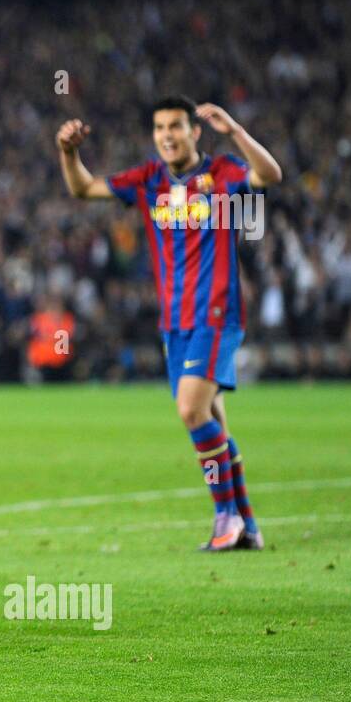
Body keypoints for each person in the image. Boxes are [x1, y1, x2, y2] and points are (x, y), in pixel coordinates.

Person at [56, 95, 283, 551]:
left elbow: (271, 175)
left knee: (191, 410)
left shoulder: (222, 173)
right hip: (173, 322)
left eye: (176, 127)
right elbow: (83, 189)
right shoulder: (148, 181)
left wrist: (235, 129)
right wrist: (68, 151)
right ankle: (248, 525)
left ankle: (225, 518)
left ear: (194, 132)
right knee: (211, 418)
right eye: (160, 128)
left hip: (215, 314)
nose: (167, 136)